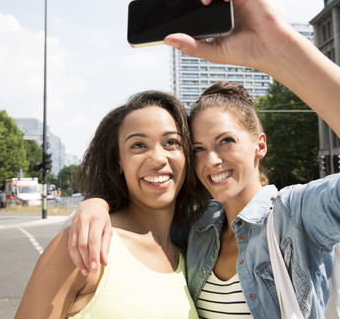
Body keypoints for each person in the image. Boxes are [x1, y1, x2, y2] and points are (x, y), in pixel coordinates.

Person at [68, 0, 340, 317]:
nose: (211, 160)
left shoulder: (295, 215)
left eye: (226, 141)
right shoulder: (197, 227)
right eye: (198, 149)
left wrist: (281, 51)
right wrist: (95, 204)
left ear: (259, 145)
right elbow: (137, 214)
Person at [15, 91, 203, 318]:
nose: (158, 158)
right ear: (118, 162)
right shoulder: (85, 243)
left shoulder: (192, 252)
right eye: (138, 145)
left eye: (171, 142)